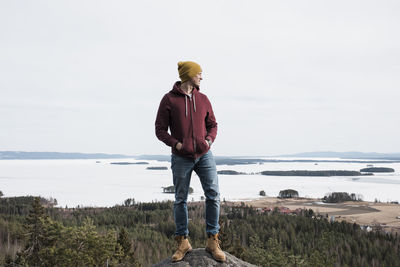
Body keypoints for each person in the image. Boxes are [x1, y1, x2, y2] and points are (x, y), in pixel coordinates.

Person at [155, 61, 226, 262]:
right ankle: (183, 242)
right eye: (199, 74)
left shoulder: (203, 99)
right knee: (180, 199)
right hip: (181, 157)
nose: (202, 77)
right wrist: (177, 145)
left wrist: (208, 141)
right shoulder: (168, 100)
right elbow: (160, 129)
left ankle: (213, 240)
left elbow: (212, 124)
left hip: (204, 155)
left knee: (213, 195)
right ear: (189, 75)